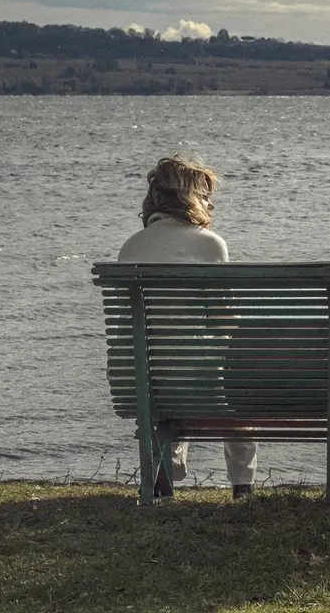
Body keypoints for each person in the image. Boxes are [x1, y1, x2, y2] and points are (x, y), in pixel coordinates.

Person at [117, 155, 258, 500]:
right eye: (206, 194)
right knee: (233, 372)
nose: (211, 203)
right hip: (192, 378)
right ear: (190, 197)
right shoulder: (209, 243)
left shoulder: (131, 246)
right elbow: (225, 320)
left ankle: (168, 470)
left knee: (175, 366)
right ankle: (243, 487)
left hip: (137, 378)